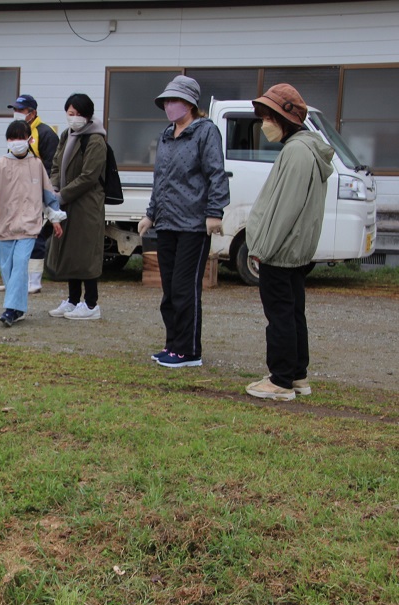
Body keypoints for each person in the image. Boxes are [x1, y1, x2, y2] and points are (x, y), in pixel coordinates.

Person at [244, 84, 333, 401]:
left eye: (268, 116)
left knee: (280, 315)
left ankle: (280, 381)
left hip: (280, 252)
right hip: (295, 250)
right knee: (294, 312)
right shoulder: (307, 148)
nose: (264, 123)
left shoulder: (296, 152)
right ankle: (297, 376)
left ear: (284, 118)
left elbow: (284, 208)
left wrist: (261, 249)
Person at [137, 75, 230, 368]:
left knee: (184, 288)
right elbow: (160, 179)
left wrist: (215, 212)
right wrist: (151, 214)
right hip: (166, 223)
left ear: (189, 103)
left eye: (174, 100)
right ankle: (172, 345)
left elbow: (216, 173)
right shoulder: (167, 134)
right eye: (166, 101)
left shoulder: (205, 132)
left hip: (193, 224)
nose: (169, 106)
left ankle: (189, 351)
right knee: (169, 290)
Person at [0, 120, 66, 327]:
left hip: (29, 225)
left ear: (29, 139)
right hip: (4, 225)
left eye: (20, 137)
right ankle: (18, 309)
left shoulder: (36, 165)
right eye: (13, 138)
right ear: (8, 140)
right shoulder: (1, 164)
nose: (17, 142)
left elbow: (47, 194)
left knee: (20, 265)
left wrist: (55, 218)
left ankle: (9, 310)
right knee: (7, 268)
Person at [46, 93, 108, 321]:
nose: (73, 119)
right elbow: (55, 164)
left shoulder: (95, 140)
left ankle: (91, 303)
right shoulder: (67, 134)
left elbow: (89, 176)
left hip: (86, 204)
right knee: (71, 252)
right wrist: (53, 188)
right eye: (70, 114)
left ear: (88, 115)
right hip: (66, 201)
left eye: (78, 114)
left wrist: (62, 195)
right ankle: (73, 301)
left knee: (86, 253)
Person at [7, 94, 59, 295]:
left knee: (34, 235)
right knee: (15, 235)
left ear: (33, 112)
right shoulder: (17, 133)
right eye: (16, 110)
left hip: (36, 193)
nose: (17, 114)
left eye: (21, 110)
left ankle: (35, 280)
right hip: (17, 193)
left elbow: (51, 166)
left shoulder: (45, 133)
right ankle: (16, 279)